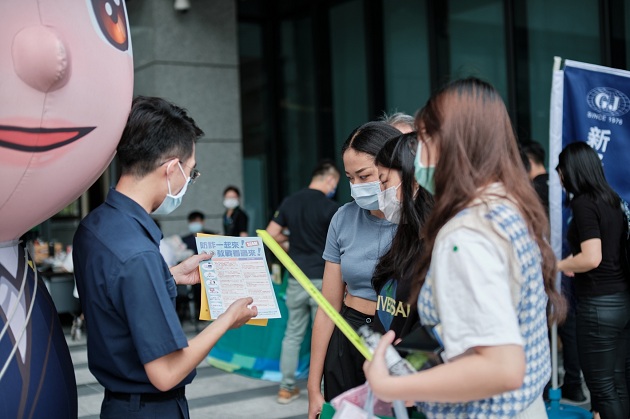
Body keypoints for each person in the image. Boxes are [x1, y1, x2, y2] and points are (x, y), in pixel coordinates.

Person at [364, 78, 566, 418]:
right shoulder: (508, 206)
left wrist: (392, 385)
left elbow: (501, 368)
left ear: (452, 144)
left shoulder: (465, 236)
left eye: (424, 139)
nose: (419, 154)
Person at [72, 96, 257, 418]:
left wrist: (167, 276)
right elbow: (166, 373)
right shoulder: (139, 254)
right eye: (190, 171)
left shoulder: (96, 225)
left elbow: (113, 292)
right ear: (171, 168)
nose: (188, 181)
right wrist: (227, 319)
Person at [307, 121, 401, 419]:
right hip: (348, 332)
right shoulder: (343, 218)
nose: (357, 186)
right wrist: (313, 387)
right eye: (350, 177)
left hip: (398, 336)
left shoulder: (421, 221)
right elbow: (327, 307)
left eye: (365, 176)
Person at [556, 141, 630, 419]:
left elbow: (591, 257)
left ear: (572, 171)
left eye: (561, 170)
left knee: (602, 388)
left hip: (599, 306)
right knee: (617, 382)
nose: (560, 177)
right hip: (621, 301)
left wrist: (559, 264)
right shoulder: (612, 200)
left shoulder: (584, 203)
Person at [265, 160, 340, 404]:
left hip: (297, 277)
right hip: (325, 279)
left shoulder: (290, 201)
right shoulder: (331, 208)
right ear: (329, 180)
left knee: (293, 333)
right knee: (324, 334)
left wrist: (289, 246)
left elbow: (270, 234)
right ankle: (320, 389)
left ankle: (286, 388)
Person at [522, 140, 586, 403]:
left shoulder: (532, 191)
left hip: (546, 267)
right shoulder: (561, 188)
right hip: (569, 264)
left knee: (546, 323)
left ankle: (548, 384)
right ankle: (573, 384)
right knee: (566, 323)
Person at [372, 132, 434, 339]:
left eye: (384, 182)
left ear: (414, 180)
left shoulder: (445, 247)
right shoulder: (406, 239)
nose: (381, 194)